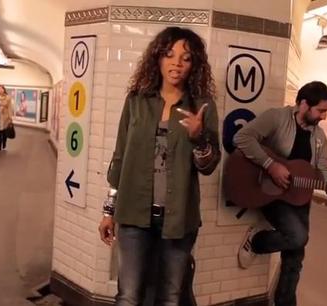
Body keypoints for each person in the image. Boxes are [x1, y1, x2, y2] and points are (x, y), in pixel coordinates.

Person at [98, 27, 221, 306]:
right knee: (128, 296)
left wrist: (198, 137)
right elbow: (119, 158)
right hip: (132, 215)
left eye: (186, 58)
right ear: (157, 58)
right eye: (169, 55)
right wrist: (108, 211)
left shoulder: (202, 106)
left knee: (171, 297)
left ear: (195, 65)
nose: (177, 63)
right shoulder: (136, 101)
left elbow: (209, 165)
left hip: (179, 218)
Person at [234, 81, 327, 306]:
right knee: (298, 237)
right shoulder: (276, 118)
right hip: (269, 193)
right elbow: (242, 138)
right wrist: (270, 165)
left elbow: (323, 168)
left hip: (300, 198)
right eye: (321, 111)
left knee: (295, 258)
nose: (324, 117)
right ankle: (258, 240)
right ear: (304, 104)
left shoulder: (319, 136)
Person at [0, 85, 13, 150]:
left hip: (5, 116)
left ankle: (4, 142)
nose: (0, 90)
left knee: (4, 131)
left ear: (4, 89)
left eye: (1, 88)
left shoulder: (8, 97)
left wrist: (10, 118)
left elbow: (10, 108)